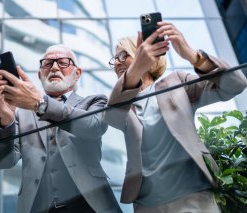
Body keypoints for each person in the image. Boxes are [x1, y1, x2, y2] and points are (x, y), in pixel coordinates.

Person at [105, 21, 247, 212]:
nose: (118, 62)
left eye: (124, 55)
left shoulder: (176, 82)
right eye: (115, 58)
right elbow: (112, 116)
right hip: (148, 204)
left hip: (194, 196)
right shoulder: (121, 101)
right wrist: (136, 68)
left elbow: (235, 84)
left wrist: (192, 55)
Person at [0, 44, 122, 213]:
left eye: (63, 62)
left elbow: (93, 127)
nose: (53, 67)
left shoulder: (94, 101)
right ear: (40, 75)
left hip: (89, 206)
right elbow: (4, 162)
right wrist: (6, 120)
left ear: (77, 74)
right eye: (47, 63)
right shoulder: (20, 114)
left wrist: (41, 104)